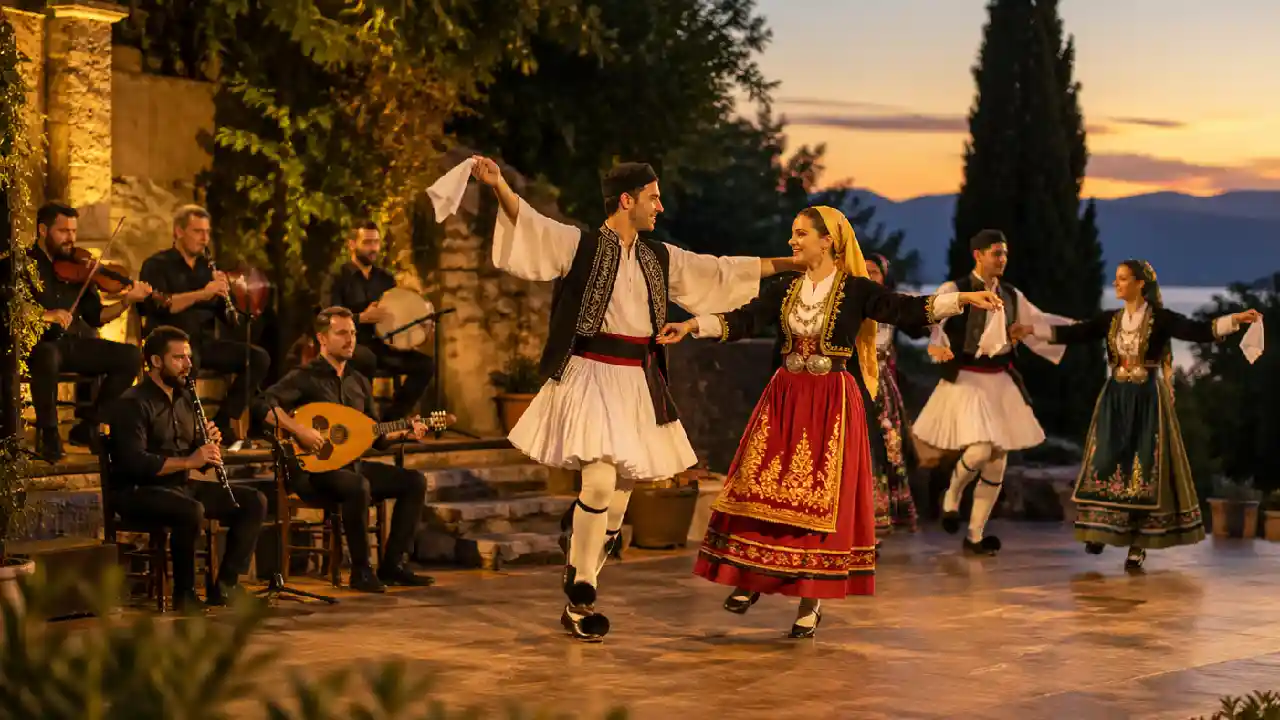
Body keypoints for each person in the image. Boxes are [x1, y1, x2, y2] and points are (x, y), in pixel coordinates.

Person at [456, 155, 799, 642]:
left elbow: (720, 272)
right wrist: (498, 188)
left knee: (618, 503)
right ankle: (582, 594)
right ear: (627, 200)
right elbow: (531, 226)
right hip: (592, 374)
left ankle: (582, 568)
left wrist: (791, 264)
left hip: (638, 382)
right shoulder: (583, 245)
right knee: (597, 482)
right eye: (653, 197)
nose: (660, 206)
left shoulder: (659, 257)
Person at [659, 206, 1000, 637]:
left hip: (831, 402)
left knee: (820, 500)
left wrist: (963, 299)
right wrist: (692, 326)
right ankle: (751, 576)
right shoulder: (786, 288)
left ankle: (810, 600)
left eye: (801, 234)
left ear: (828, 241)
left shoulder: (857, 290)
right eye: (793, 234)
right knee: (762, 489)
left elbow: (907, 309)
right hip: (785, 396)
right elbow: (745, 318)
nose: (792, 241)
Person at [1021, 259, 1263, 569]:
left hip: (1147, 400)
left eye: (1122, 279)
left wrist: (1236, 319)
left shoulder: (1160, 319)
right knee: (1105, 460)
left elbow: (1197, 331)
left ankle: (1137, 545)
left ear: (1140, 284)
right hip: (1115, 398)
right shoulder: (1110, 320)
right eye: (1116, 279)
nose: (1116, 284)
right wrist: (1029, 328)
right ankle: (1098, 529)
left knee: (1142, 468)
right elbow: (1075, 333)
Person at [912, 229, 1073, 555]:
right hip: (967, 380)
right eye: (996, 253)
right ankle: (952, 495)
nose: (1002, 259)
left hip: (1000, 381)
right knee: (980, 450)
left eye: (1004, 254)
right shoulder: (955, 289)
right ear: (978, 255)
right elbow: (933, 319)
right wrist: (937, 346)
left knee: (998, 462)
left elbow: (1037, 322)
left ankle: (975, 535)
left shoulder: (1012, 295)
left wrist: (1039, 330)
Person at [253, 307, 435, 593]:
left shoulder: (359, 381)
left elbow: (373, 435)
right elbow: (263, 407)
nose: (350, 340)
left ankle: (392, 565)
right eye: (342, 333)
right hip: (313, 473)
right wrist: (299, 430)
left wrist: (405, 433)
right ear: (322, 339)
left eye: (352, 333)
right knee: (357, 486)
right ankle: (361, 571)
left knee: (414, 481)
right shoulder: (304, 376)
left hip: (351, 466)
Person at [106, 326, 268, 611]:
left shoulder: (184, 400)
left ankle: (226, 586)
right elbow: (135, 463)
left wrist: (208, 444)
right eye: (179, 358)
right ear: (156, 362)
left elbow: (193, 452)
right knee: (189, 510)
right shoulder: (132, 403)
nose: (188, 365)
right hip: (138, 491)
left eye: (188, 358)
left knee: (253, 501)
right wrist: (190, 461)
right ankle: (185, 594)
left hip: (178, 486)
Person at [139, 205, 271, 445]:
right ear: (178, 231)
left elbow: (230, 320)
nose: (204, 239)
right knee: (191, 360)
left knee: (257, 358)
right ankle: (188, 432)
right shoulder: (157, 264)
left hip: (204, 342)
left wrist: (233, 296)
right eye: (198, 231)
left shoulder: (207, 268)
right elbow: (161, 305)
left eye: (207, 232)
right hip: (169, 345)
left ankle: (221, 423)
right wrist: (203, 293)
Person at [28, 202, 147, 461]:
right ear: (42, 230)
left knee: (130, 357)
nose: (71, 238)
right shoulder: (23, 264)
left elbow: (96, 317)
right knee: (47, 355)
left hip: (75, 344)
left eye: (73, 231)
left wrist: (127, 300)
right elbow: (11, 310)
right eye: (63, 231)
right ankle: (50, 434)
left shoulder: (79, 266)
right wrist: (45, 315)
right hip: (39, 344)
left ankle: (90, 423)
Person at [325, 220, 435, 420]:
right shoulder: (338, 277)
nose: (373, 248)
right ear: (352, 244)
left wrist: (420, 329)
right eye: (367, 242)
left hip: (384, 346)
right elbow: (327, 317)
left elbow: (397, 315)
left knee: (425, 365)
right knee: (366, 358)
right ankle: (364, 421)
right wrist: (360, 318)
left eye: (376, 242)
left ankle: (390, 420)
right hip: (352, 345)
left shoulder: (385, 279)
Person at [865, 254, 928, 540]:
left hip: (880, 387)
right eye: (863, 270)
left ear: (884, 277)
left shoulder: (890, 305)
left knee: (885, 450)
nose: (868, 276)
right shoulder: (845, 302)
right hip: (850, 383)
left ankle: (877, 521)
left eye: (874, 272)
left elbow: (918, 326)